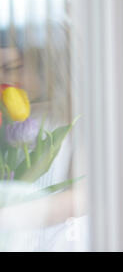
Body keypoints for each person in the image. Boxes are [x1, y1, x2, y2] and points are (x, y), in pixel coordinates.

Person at [0, 32, 88, 251]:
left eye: (11, 68)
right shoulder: (10, 124)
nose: (4, 80)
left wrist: (10, 216)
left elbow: (88, 197)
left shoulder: (67, 126)